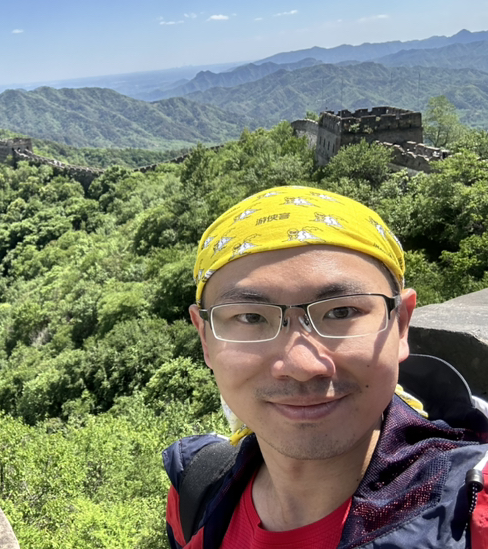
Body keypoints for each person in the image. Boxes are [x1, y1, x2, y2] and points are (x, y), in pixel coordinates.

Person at [163, 185, 488, 549]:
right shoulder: (196, 490)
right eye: (251, 317)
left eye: (341, 311)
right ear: (206, 339)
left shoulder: (474, 513)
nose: (301, 365)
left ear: (400, 325)